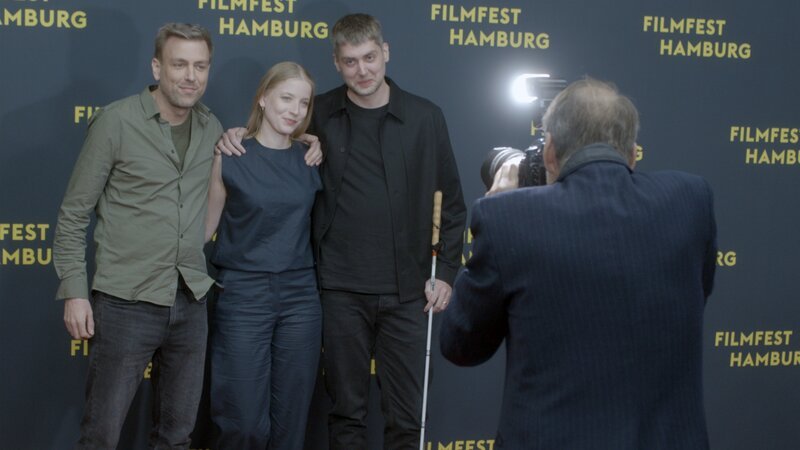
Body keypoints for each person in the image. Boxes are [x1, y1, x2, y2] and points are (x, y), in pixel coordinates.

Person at [217, 13, 467, 449]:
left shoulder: (426, 117)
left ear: (385, 53)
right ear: (337, 62)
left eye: (369, 57)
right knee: (346, 413)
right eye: (350, 61)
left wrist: (445, 272)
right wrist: (238, 134)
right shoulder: (318, 114)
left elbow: (453, 203)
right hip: (337, 292)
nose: (362, 70)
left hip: (409, 293)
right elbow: (275, 138)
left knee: (407, 416)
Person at [440, 78, 717, 449]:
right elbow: (698, 292)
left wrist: (496, 205)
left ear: (549, 152)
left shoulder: (506, 218)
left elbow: (460, 344)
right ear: (633, 154)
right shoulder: (691, 200)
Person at [53, 23, 222, 449]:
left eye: (200, 66)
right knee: (101, 436)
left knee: (177, 437)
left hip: (190, 302)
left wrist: (308, 138)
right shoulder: (116, 121)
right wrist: (75, 292)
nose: (191, 76)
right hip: (125, 303)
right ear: (157, 67)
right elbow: (73, 214)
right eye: (179, 65)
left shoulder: (211, 127)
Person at [204, 61, 322, 449]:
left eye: (303, 103)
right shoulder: (230, 154)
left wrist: (312, 140)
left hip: (301, 298)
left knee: (290, 424)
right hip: (242, 295)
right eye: (286, 98)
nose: (295, 110)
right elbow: (204, 231)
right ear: (263, 98)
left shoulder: (311, 158)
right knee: (242, 423)